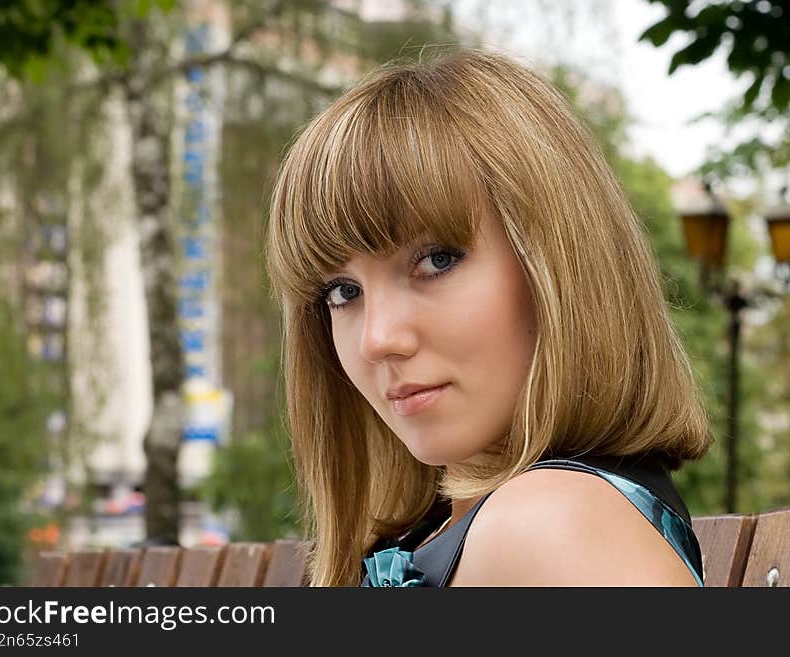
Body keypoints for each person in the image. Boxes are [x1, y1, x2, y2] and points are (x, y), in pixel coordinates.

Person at [264, 47, 712, 587]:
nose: (378, 340)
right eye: (342, 292)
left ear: (557, 264)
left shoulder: (550, 525)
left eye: (436, 261)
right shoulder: (463, 527)